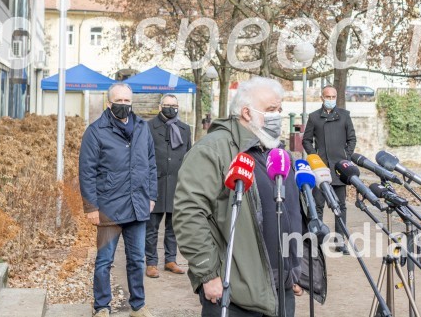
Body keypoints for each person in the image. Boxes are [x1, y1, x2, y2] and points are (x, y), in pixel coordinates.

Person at [174, 77, 317, 317]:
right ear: (247, 112)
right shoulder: (213, 149)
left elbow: (290, 212)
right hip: (235, 291)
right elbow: (189, 214)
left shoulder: (276, 152)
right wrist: (207, 274)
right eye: (271, 109)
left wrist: (294, 270)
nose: (277, 116)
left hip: (281, 289)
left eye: (279, 109)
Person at [79, 83, 158, 317]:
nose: (123, 105)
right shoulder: (96, 131)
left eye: (127, 101)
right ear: (109, 103)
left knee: (137, 260)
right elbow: (87, 171)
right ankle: (102, 306)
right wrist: (91, 207)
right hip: (108, 207)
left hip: (137, 205)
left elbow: (151, 164)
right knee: (104, 260)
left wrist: (151, 195)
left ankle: (138, 306)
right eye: (119, 101)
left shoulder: (142, 128)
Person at [302, 84, 356, 254]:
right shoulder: (314, 117)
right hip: (321, 169)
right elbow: (306, 140)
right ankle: (315, 241)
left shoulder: (345, 116)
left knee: (340, 206)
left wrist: (346, 156)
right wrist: (314, 157)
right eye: (328, 97)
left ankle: (340, 241)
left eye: (333, 97)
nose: (331, 99)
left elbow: (352, 139)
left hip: (340, 169)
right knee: (317, 205)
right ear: (322, 97)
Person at [145, 94, 192, 278]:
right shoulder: (148, 127)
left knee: (174, 226)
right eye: (167, 105)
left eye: (174, 105)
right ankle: (151, 262)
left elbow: (189, 156)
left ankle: (170, 260)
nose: (171, 108)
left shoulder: (185, 129)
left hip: (176, 183)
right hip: (155, 183)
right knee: (151, 227)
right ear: (160, 107)